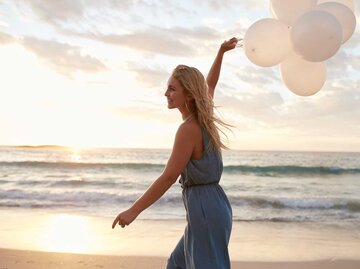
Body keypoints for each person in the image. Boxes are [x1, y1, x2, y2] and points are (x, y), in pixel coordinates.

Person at [112, 37, 238, 269]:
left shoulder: (188, 129)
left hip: (205, 210)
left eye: (172, 88)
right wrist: (220, 52)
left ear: (188, 94)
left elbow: (169, 177)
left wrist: (133, 211)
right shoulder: (203, 119)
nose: (166, 93)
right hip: (214, 206)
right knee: (177, 264)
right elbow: (210, 85)